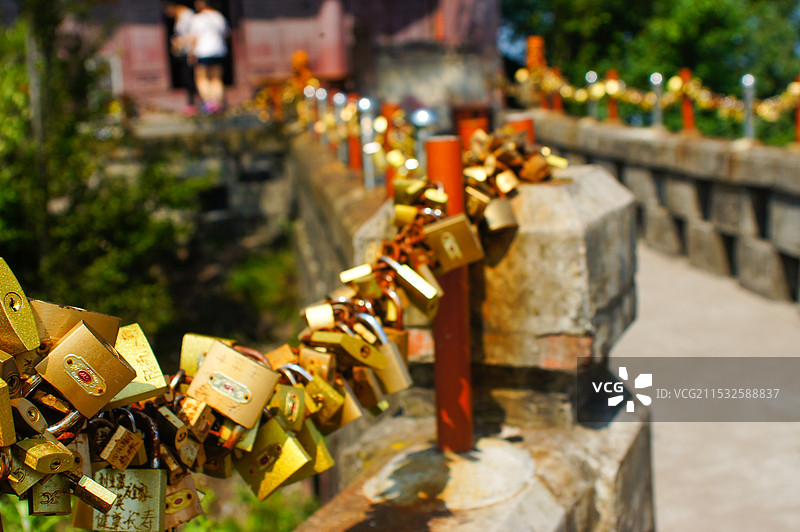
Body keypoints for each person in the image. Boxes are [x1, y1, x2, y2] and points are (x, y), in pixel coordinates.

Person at [187, 0, 229, 114]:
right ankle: (218, 103)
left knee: (202, 78)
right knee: (216, 79)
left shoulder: (197, 18)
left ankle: (209, 103)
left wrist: (191, 53)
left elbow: (194, 38)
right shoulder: (219, 17)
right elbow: (225, 34)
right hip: (219, 50)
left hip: (202, 52)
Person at [164, 2, 198, 115]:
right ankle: (191, 103)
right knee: (186, 77)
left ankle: (195, 104)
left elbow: (194, 35)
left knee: (191, 78)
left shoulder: (188, 16)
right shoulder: (181, 17)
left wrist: (191, 51)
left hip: (190, 52)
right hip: (184, 52)